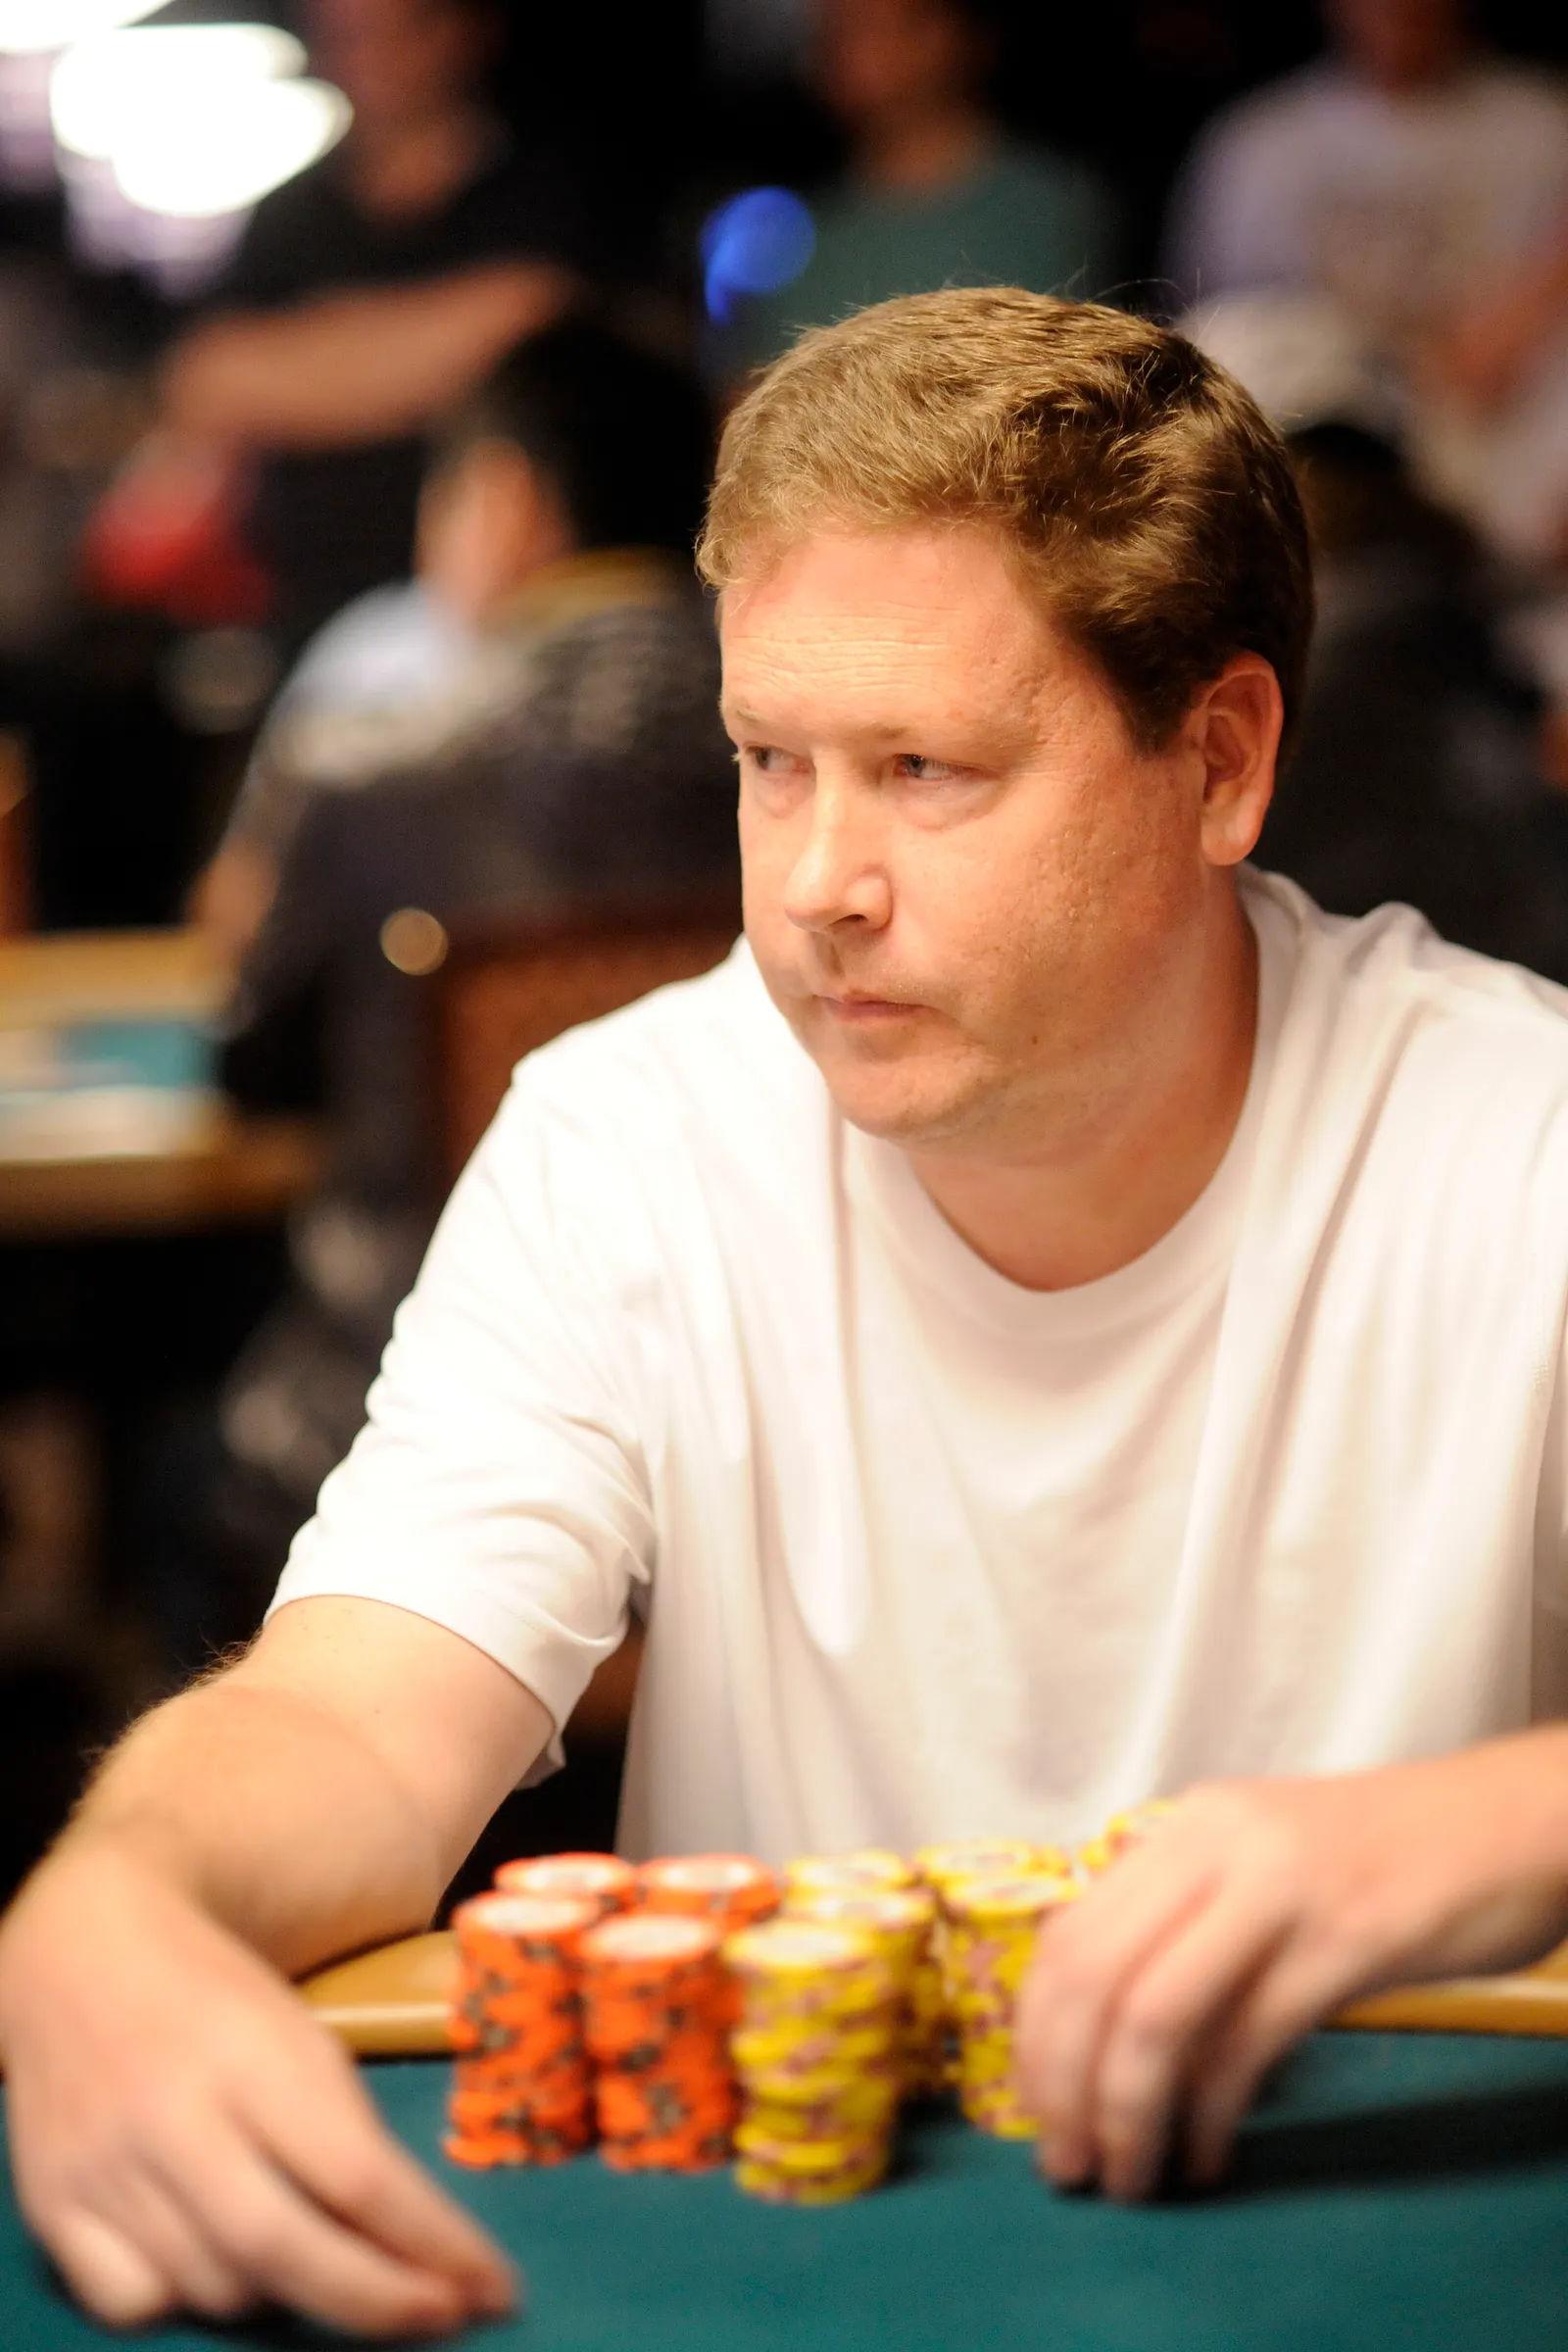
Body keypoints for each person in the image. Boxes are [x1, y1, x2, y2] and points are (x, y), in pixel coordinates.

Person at [8, 288, 1568, 2334]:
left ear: (1219, 758)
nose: (819, 881)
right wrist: (111, 1902)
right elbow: (353, 1719)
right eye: (770, 764)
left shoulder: (1518, 1141)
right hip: (763, 2275)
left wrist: (1468, 1831)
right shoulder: (621, 1140)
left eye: (925, 769)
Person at [147, 315, 736, 1685]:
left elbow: (253, 1070)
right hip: (737, 1423)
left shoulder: (367, 770)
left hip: (408, 1441)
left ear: (508, 500)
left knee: (182, 1474)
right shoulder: (795, 756)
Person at [148, 0, 601, 652]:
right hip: (309, 617)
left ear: (463, 32)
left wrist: (308, 358)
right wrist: (439, 344)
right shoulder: (286, 216)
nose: (370, 58)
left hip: (520, 611)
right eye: (346, 38)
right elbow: (207, 380)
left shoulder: (551, 192)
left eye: (396, 33)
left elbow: (531, 329)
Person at [1162, 0, 1568, 567]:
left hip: (1493, 434)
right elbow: (1209, 322)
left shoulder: (1543, 130)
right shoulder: (1261, 141)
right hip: (1324, 438)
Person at [729, 0, 1115, 369]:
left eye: (869, 23)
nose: (837, 45)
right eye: (827, 29)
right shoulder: (798, 237)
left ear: (945, 33)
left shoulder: (1049, 211)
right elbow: (759, 386)